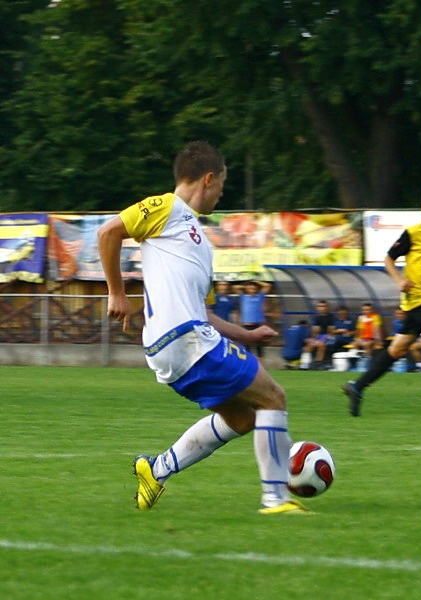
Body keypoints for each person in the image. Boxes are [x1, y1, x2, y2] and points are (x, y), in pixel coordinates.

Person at [97, 141, 308, 515]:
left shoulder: (199, 244)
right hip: (183, 337)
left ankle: (155, 470)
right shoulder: (167, 207)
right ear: (208, 179)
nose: (221, 194)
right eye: (222, 186)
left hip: (179, 344)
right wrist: (117, 293)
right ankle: (276, 498)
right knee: (273, 397)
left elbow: (204, 313)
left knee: (243, 419)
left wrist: (247, 335)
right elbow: (108, 232)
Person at [341, 183, 421, 416]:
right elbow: (389, 259)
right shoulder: (413, 233)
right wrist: (399, 281)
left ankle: (357, 386)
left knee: (397, 350)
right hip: (416, 298)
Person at [236, 280, 271, 357]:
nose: (252, 289)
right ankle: (249, 364)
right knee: (247, 346)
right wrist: (246, 285)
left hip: (258, 324)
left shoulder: (259, 296)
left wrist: (255, 281)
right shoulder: (243, 297)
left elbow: (267, 286)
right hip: (247, 325)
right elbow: (235, 287)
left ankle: (261, 365)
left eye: (254, 288)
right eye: (250, 288)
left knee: (259, 347)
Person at [308, 300, 336, 370]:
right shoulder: (316, 318)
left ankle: (318, 363)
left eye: (324, 306)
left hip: (330, 337)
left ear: (327, 307)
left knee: (321, 345)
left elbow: (331, 332)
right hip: (319, 337)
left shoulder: (331, 317)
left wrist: (321, 339)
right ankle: (305, 363)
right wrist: (314, 339)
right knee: (309, 345)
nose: (322, 308)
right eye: (320, 306)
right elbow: (315, 331)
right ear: (317, 308)